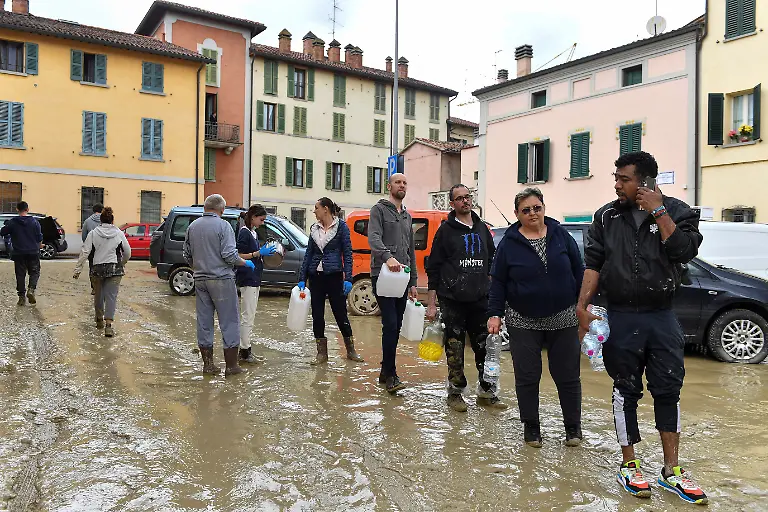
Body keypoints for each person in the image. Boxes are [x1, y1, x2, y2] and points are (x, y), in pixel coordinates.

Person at [577, 151, 707, 504]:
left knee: (668, 388)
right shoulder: (606, 216)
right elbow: (594, 263)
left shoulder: (679, 211)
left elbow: (683, 252)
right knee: (625, 388)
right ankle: (629, 465)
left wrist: (659, 211)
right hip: (620, 316)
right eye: (615, 177)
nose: (617, 184)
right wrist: (581, 307)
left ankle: (671, 471)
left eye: (624, 178)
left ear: (645, 182)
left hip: (661, 316)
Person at [487, 188, 584, 447]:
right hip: (523, 319)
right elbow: (498, 282)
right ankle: (531, 428)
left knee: (568, 375)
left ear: (544, 207)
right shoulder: (508, 243)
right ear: (517, 214)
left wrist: (583, 305)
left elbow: (579, 271)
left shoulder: (560, 235)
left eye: (537, 208)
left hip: (563, 317)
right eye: (526, 210)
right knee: (527, 376)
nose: (533, 214)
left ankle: (573, 428)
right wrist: (494, 314)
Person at [426, 184, 506, 412]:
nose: (465, 201)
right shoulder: (445, 231)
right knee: (454, 349)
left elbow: (493, 261)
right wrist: (432, 304)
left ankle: (487, 393)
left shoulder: (482, 228)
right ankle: (455, 393)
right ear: (452, 204)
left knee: (486, 348)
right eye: (459, 198)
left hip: (481, 299)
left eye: (467, 197)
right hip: (452, 299)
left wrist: (494, 293)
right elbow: (434, 267)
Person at [183, 194, 255, 376]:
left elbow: (186, 254)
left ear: (205, 208)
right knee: (229, 321)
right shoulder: (224, 226)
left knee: (204, 321)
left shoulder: (192, 226)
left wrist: (199, 267)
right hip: (222, 279)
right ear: (221, 210)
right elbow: (229, 255)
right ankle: (231, 367)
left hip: (200, 280)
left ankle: (208, 365)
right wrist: (245, 263)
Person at [368, 173, 418, 393]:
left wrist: (414, 281)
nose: (402, 185)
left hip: (403, 277)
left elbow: (411, 251)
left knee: (396, 325)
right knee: (389, 323)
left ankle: (384, 371)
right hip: (383, 274)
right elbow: (373, 238)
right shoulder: (378, 210)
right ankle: (391, 375)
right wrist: (388, 257)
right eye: (398, 182)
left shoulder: (407, 216)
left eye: (405, 183)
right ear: (389, 186)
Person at [298, 197, 362, 365]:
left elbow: (348, 254)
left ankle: (351, 350)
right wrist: (302, 279)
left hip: (334, 276)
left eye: (316, 208)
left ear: (325, 209)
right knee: (317, 315)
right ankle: (321, 354)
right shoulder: (314, 228)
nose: (314, 211)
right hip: (316, 277)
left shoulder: (341, 227)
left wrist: (348, 278)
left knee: (340, 314)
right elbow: (308, 254)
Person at [73, 207, 131, 337]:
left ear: (101, 220)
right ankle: (108, 325)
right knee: (111, 296)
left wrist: (78, 270)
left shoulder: (93, 233)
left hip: (97, 268)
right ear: (112, 220)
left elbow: (85, 252)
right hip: (114, 269)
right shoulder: (119, 233)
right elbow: (127, 252)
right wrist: (122, 263)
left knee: (98, 294)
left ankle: (99, 319)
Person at [235, 204, 276, 364]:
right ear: (253, 217)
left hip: (254, 277)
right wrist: (257, 253)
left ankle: (247, 349)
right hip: (247, 278)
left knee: (250, 316)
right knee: (247, 316)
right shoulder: (244, 233)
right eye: (261, 219)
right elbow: (237, 254)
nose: (262, 222)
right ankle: (244, 352)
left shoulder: (252, 232)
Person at [0, 201, 42, 306]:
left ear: (17, 210)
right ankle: (31, 290)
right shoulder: (35, 222)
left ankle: (21, 297)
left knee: (20, 275)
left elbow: (2, 232)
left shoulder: (13, 222)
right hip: (33, 252)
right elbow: (39, 237)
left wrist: (8, 226)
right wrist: (40, 245)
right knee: (35, 272)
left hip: (18, 253)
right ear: (27, 209)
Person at [82, 203, 103, 295]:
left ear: (93, 210)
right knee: (103, 266)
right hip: (103, 247)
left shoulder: (87, 221)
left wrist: (87, 245)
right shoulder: (105, 220)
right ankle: (102, 287)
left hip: (92, 248)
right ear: (102, 210)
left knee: (92, 267)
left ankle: (94, 288)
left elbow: (84, 236)